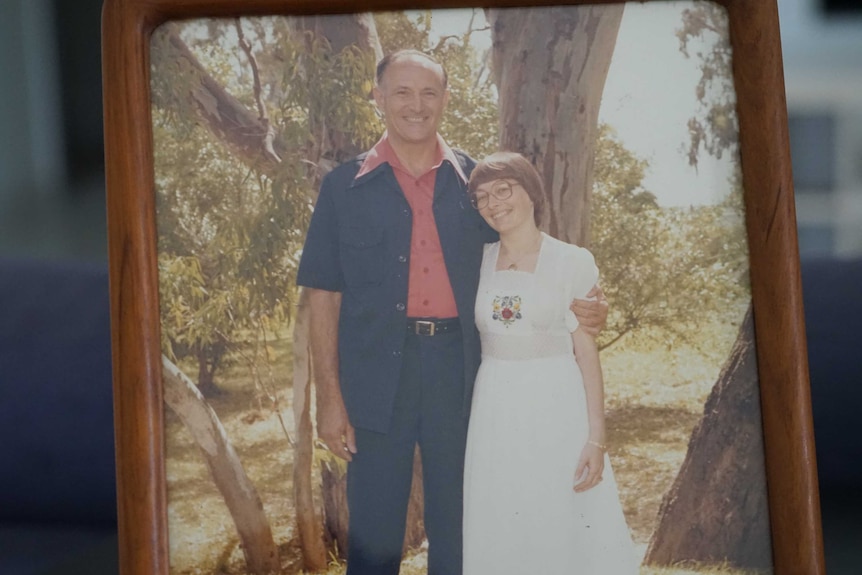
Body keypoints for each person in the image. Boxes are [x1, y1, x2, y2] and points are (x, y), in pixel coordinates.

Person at [296, 50, 607, 575]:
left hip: (462, 371)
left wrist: (584, 298)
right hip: (374, 374)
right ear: (377, 98)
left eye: (429, 93)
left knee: (462, 526)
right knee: (373, 529)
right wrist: (330, 397)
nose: (416, 105)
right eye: (402, 92)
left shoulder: (473, 184)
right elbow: (323, 295)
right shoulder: (343, 188)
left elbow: (527, 252)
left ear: (444, 100)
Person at [462, 151, 639, 574]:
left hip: (555, 403)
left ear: (532, 193)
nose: (494, 203)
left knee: (561, 516)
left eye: (504, 189)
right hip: (494, 408)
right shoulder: (476, 261)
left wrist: (597, 438)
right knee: (504, 517)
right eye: (483, 196)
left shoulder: (572, 261)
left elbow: (586, 351)